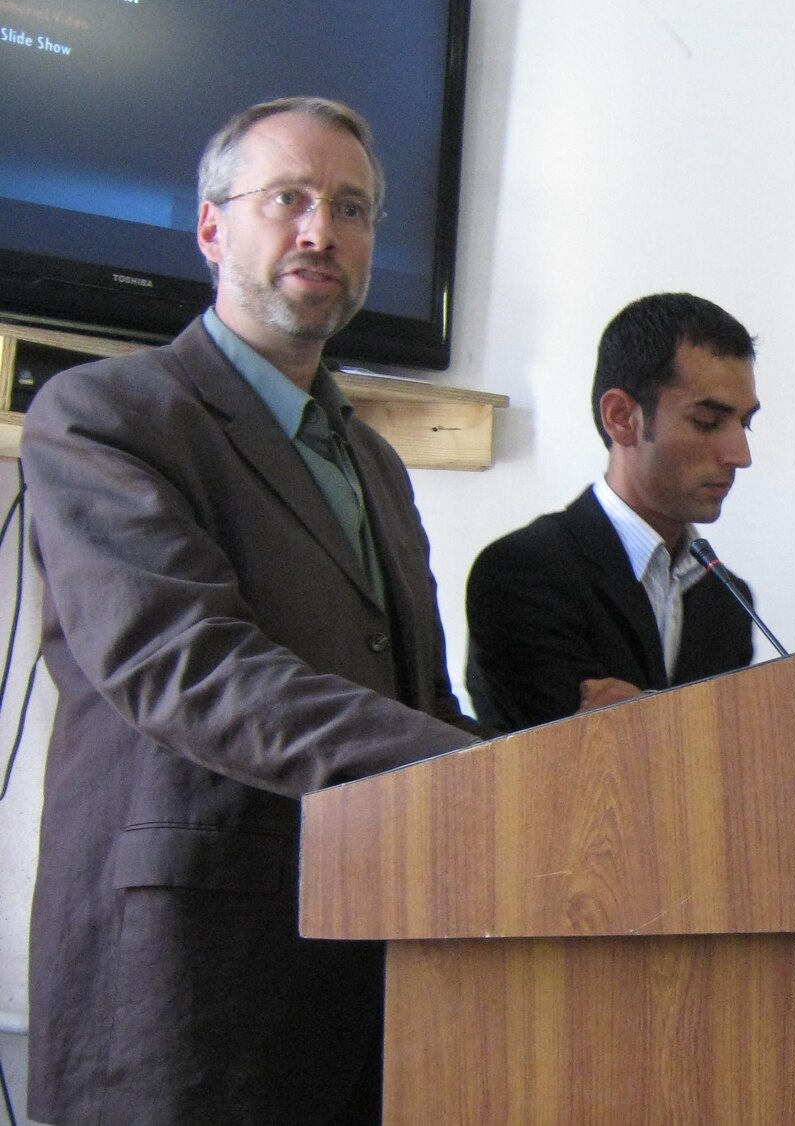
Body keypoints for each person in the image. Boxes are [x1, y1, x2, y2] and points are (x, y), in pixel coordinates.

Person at [23, 98, 489, 1125]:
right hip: (185, 992)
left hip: (371, 972)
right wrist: (481, 777)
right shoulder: (103, 414)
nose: (323, 230)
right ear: (211, 227)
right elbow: (188, 667)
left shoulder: (370, 459)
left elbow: (416, 692)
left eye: (354, 208)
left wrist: (566, 766)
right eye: (289, 198)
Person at [465, 292, 759, 732]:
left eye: (745, 423)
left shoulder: (728, 603)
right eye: (708, 422)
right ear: (622, 417)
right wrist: (691, 726)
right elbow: (568, 762)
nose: (740, 455)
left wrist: (645, 714)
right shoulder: (522, 573)